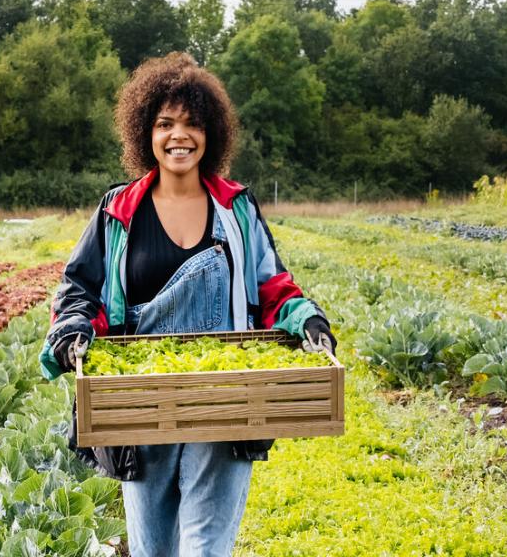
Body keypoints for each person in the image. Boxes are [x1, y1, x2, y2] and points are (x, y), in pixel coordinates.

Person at [39, 52, 335, 557]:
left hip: (225, 399)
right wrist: (73, 328)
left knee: (205, 548)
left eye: (193, 124)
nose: (180, 135)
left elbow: (272, 287)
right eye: (165, 123)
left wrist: (305, 319)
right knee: (153, 548)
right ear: (145, 133)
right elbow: (80, 289)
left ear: (211, 134)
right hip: (139, 403)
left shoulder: (235, 208)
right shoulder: (118, 211)